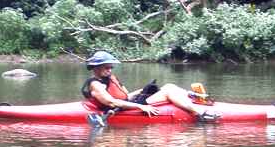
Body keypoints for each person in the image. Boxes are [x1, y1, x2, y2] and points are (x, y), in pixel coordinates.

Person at [81, 51, 219, 121]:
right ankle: (200, 114)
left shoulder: (111, 78)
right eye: (106, 67)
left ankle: (195, 97)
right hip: (120, 110)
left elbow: (126, 96)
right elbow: (111, 102)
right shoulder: (95, 84)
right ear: (96, 67)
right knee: (168, 93)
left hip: (128, 104)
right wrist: (141, 106)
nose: (110, 70)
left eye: (111, 67)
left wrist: (142, 90)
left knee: (168, 85)